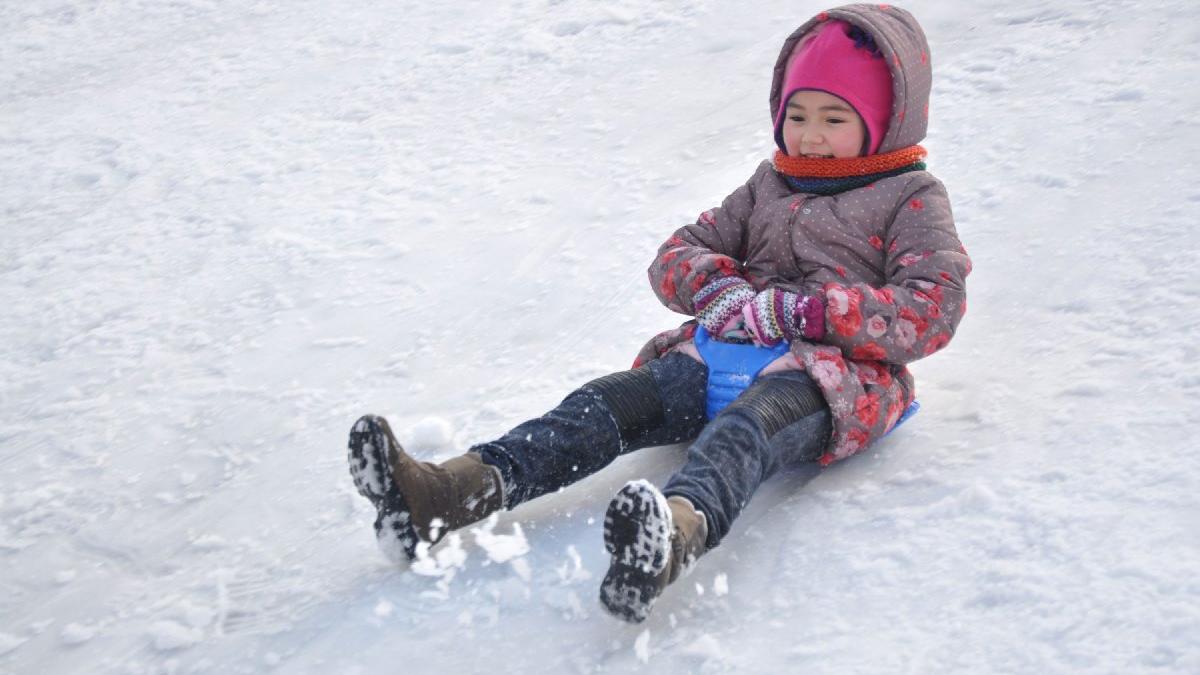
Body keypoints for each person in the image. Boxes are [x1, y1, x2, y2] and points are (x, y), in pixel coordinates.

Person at [347, 3, 970, 624]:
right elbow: (677, 253)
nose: (809, 136)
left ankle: (670, 535)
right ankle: (444, 493)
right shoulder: (768, 184)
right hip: (716, 355)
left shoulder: (910, 197)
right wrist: (716, 289)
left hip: (829, 380)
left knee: (744, 432)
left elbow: (933, 304)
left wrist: (807, 313)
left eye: (834, 118)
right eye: (797, 115)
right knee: (601, 407)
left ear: (886, 121)